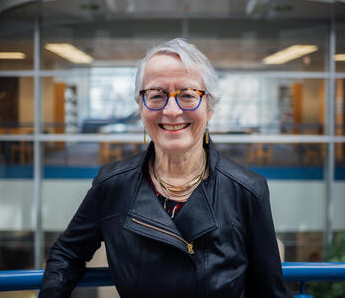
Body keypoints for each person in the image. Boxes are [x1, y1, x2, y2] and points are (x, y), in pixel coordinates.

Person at [39, 38, 287, 297]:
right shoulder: (112, 184)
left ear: (209, 107)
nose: (171, 111)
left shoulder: (247, 190)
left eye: (188, 95)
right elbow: (67, 254)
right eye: (156, 95)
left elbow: (268, 291)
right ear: (140, 106)